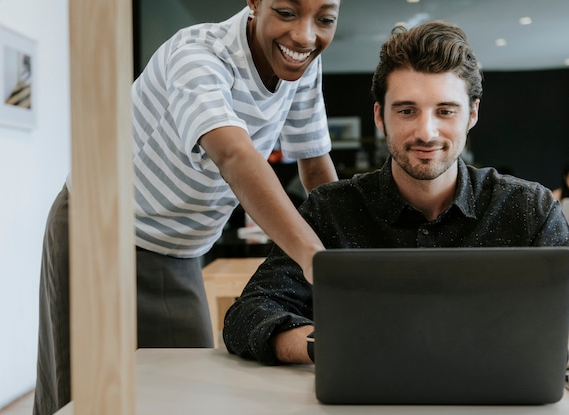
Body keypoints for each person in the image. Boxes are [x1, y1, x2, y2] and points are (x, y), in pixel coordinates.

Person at [33, 1, 341, 414]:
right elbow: (233, 155)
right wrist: (318, 261)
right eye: (286, 12)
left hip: (181, 252)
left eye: (324, 19)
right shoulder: (198, 54)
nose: (305, 36)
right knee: (85, 399)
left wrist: (352, 257)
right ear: (254, 2)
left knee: (190, 395)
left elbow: (317, 168)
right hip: (98, 232)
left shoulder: (301, 65)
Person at [223, 20, 569, 365]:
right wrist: (329, 345)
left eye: (445, 111)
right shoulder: (330, 209)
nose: (426, 132)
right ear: (380, 116)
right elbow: (248, 315)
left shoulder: (528, 208)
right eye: (406, 111)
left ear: (472, 114)